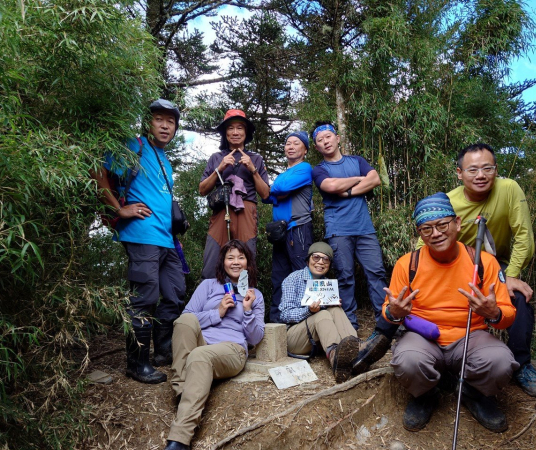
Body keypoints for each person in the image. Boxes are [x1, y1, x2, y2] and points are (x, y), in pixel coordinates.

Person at [386, 193, 518, 432]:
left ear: (457, 223)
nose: (435, 233)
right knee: (408, 360)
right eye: (426, 228)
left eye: (442, 225)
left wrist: (493, 313)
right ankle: (426, 394)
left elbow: (507, 316)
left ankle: (472, 393)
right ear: (420, 233)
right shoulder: (407, 264)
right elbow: (389, 310)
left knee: (500, 361)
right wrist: (394, 312)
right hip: (425, 336)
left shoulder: (483, 262)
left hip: (471, 335)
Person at [92, 99, 186, 384]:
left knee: (175, 292)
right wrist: (119, 209)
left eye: (171, 121)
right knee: (144, 297)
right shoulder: (133, 145)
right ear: (148, 123)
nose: (165, 125)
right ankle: (137, 362)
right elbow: (98, 171)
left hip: (166, 239)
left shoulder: (163, 158)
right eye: (159, 119)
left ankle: (162, 352)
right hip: (141, 235)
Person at [450, 143, 536, 398]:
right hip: (459, 264)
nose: (480, 175)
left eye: (487, 168)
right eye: (472, 170)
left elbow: (524, 235)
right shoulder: (449, 201)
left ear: (495, 170)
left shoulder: (509, 189)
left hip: (497, 262)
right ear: (459, 173)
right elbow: (426, 242)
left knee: (519, 298)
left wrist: (512, 275)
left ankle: (522, 365)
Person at [164, 240, 265, 450]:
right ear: (223, 263)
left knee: (200, 355)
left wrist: (247, 310)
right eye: (230, 257)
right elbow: (186, 319)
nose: (236, 262)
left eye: (241, 257)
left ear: (248, 263)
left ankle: (179, 440)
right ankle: (185, 390)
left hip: (231, 348)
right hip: (203, 340)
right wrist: (216, 312)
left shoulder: (255, 295)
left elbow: (255, 338)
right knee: (184, 322)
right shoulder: (208, 285)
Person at [311, 122, 397, 347]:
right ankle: (350, 328)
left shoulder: (356, 160)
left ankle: (384, 325)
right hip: (338, 229)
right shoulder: (319, 169)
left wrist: (346, 190)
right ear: (317, 147)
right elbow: (329, 186)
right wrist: (360, 180)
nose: (325, 142)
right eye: (320, 140)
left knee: (376, 273)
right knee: (345, 276)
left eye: (328, 137)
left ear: (337, 138)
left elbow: (376, 179)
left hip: (364, 228)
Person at [279, 242, 392, 382]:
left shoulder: (327, 284)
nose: (320, 262)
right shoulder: (293, 279)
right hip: (295, 339)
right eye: (316, 258)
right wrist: (308, 310)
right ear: (308, 260)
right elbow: (284, 314)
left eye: (325, 259)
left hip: (317, 337)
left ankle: (357, 351)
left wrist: (330, 304)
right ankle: (336, 357)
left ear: (329, 264)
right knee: (322, 313)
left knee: (334, 309)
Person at [199, 110, 270, 279]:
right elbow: (202, 190)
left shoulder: (256, 159)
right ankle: (212, 302)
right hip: (221, 211)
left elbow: (265, 194)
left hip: (246, 211)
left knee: (246, 263)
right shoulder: (216, 158)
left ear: (246, 133)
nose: (235, 132)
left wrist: (253, 170)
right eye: (231, 128)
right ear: (225, 133)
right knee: (212, 261)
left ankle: (245, 303)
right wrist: (220, 168)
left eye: (240, 128)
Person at [263, 131, 314, 323]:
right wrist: (275, 190)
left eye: (296, 143)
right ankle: (277, 324)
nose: (290, 146)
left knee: (301, 275)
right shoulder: (285, 174)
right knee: (279, 277)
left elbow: (279, 189)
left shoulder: (305, 168)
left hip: (299, 228)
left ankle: (304, 324)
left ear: (305, 150)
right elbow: (266, 196)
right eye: (288, 143)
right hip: (280, 232)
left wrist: (275, 188)